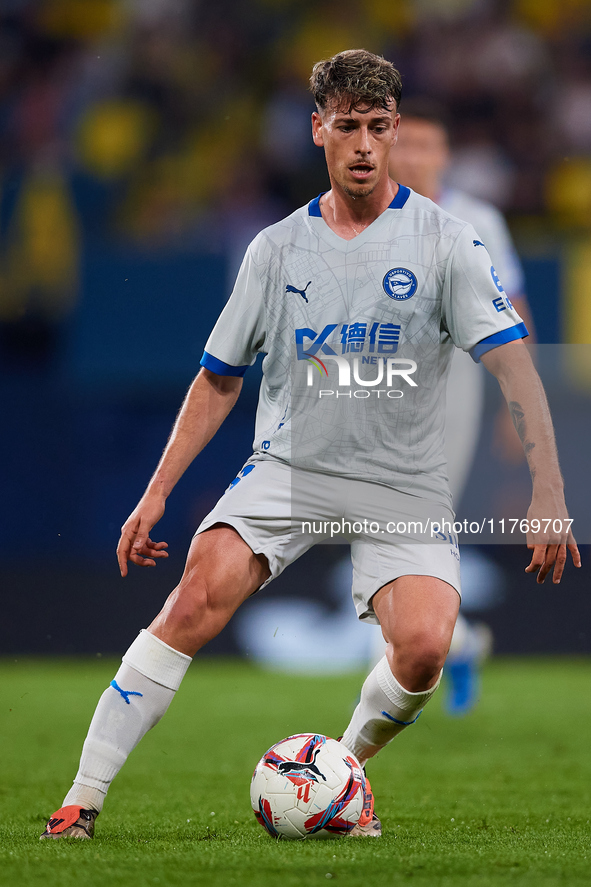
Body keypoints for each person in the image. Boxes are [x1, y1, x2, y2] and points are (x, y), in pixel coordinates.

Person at [40, 49, 579, 842]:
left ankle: (341, 775)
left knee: (425, 647)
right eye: (347, 126)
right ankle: (80, 799)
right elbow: (217, 378)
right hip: (290, 470)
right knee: (192, 598)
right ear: (318, 129)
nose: (363, 144)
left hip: (402, 483)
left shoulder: (448, 242)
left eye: (377, 126)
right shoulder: (275, 249)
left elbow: (516, 369)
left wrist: (549, 491)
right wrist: (156, 490)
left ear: (393, 129)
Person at [387, 98, 536, 714]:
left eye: (429, 145)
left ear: (446, 155)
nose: (417, 155)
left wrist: (516, 406)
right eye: (407, 144)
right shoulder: (367, 210)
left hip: (452, 380)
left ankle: (419, 654)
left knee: (413, 517)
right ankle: (458, 641)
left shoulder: (477, 219)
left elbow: (513, 311)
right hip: (377, 381)